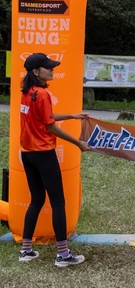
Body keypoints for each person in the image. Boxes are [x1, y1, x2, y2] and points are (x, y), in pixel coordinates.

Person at [19, 53, 92, 267]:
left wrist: (72, 116)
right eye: (48, 68)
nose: (52, 70)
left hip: (28, 154)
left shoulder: (27, 92)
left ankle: (26, 250)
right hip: (44, 154)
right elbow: (50, 127)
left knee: (36, 200)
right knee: (58, 202)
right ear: (36, 71)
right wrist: (78, 143)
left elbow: (45, 117)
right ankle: (63, 254)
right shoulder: (42, 94)